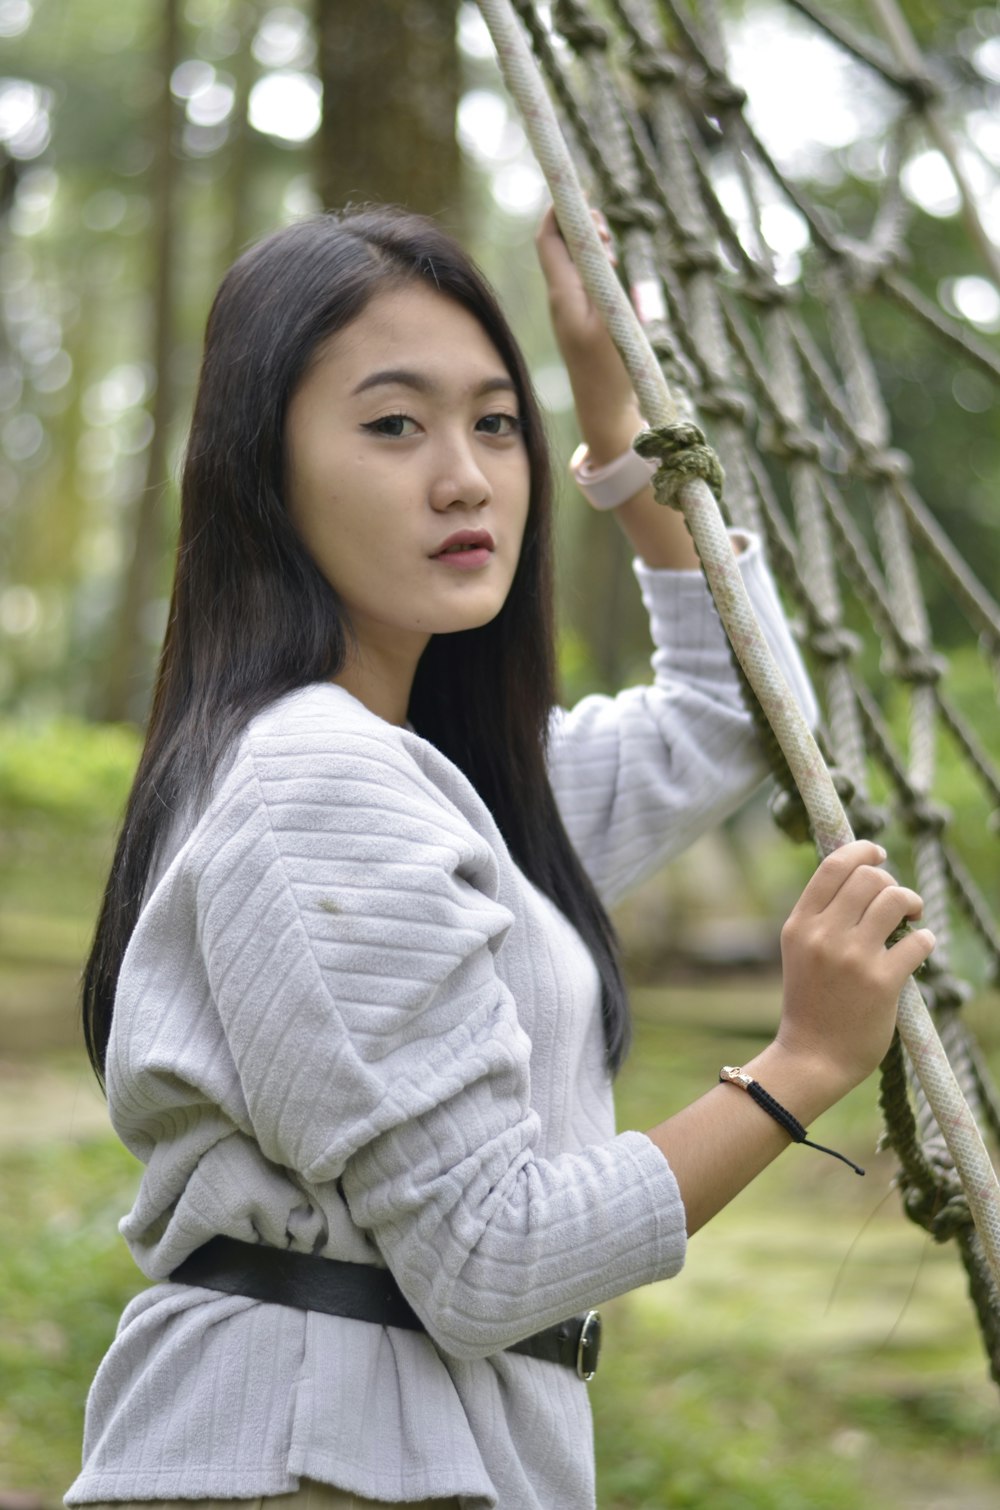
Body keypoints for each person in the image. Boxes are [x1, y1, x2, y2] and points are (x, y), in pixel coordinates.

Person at [67, 204, 933, 1510]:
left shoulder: (436, 773)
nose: (466, 476)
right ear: (265, 470)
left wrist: (606, 402)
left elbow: (734, 709)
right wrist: (800, 1064)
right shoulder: (323, 781)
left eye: (495, 422)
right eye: (394, 424)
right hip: (308, 1461)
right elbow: (488, 1258)